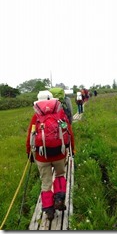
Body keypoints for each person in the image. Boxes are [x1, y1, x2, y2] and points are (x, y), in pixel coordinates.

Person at [26, 90, 70, 221]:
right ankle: (59, 198)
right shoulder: (60, 113)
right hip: (59, 153)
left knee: (45, 183)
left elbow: (30, 136)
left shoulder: (36, 116)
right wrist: (71, 149)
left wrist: (29, 153)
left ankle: (49, 210)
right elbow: (68, 130)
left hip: (41, 156)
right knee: (60, 175)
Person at [49, 87, 76, 155]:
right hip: (63, 121)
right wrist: (70, 122)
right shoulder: (66, 99)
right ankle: (70, 151)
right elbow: (70, 111)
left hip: (51, 123)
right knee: (68, 133)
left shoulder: (47, 102)